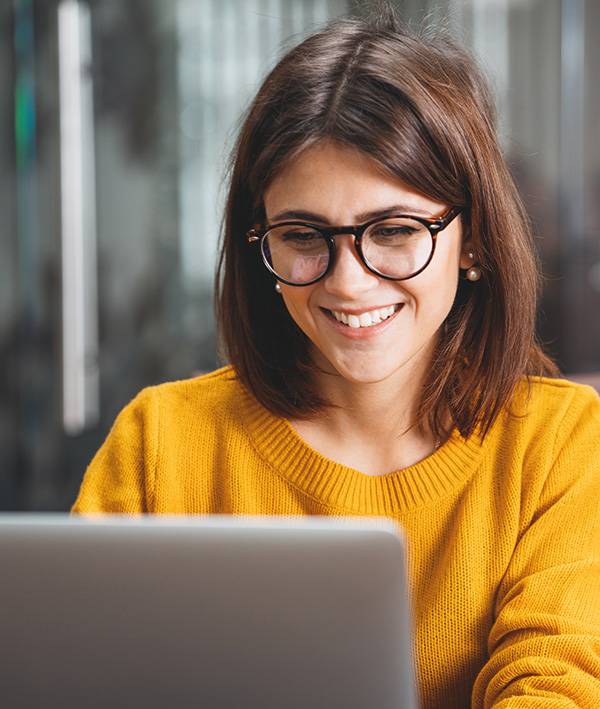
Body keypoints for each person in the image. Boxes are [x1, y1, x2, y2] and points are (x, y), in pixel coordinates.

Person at [72, 9, 600, 708]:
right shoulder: (159, 444)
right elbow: (75, 675)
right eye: (303, 235)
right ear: (261, 242)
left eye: (394, 230)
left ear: (472, 240)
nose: (348, 281)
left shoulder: (563, 446)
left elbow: (557, 681)